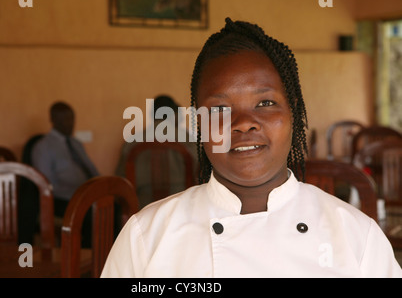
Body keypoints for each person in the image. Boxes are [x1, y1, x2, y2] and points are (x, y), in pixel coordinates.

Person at [101, 18, 402, 277]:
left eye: (266, 103)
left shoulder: (357, 238)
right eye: (219, 109)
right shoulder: (145, 238)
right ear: (197, 124)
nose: (244, 123)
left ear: (294, 113)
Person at [31, 101, 100, 247]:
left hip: (86, 194)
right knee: (91, 215)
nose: (70, 123)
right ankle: (87, 259)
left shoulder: (76, 144)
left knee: (115, 208)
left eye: (71, 118)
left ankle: (111, 255)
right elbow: (46, 185)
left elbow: (92, 170)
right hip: (61, 199)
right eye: (64, 119)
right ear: (53, 120)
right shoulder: (43, 147)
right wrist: (76, 193)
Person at [115, 94, 198, 209]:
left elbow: (120, 179)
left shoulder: (132, 142)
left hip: (142, 206)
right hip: (181, 206)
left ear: (152, 114)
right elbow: (201, 172)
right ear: (174, 114)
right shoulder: (188, 139)